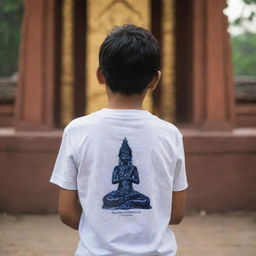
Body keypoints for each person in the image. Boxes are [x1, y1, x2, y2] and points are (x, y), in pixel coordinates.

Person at [50, 24, 188, 256]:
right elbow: (175, 214)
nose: (125, 158)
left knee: (126, 198)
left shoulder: (77, 130)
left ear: (100, 75)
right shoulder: (169, 134)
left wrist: (100, 225)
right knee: (117, 197)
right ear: (155, 80)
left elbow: (67, 212)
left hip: (94, 251)